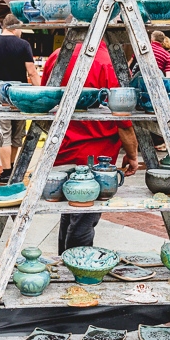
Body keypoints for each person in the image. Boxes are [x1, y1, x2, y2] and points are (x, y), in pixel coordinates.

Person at [41, 42, 139, 252]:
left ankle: (64, 259)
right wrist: (132, 154)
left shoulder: (57, 56)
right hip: (97, 154)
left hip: (63, 148)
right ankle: (77, 264)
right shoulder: (109, 62)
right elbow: (123, 118)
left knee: (70, 211)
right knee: (83, 218)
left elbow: (44, 101)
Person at [0, 14, 38, 184]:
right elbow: (32, 72)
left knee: (4, 134)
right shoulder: (24, 45)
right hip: (20, 98)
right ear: (14, 27)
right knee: (18, 135)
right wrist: (39, 93)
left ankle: (7, 172)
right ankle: (11, 170)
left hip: (0, 97)